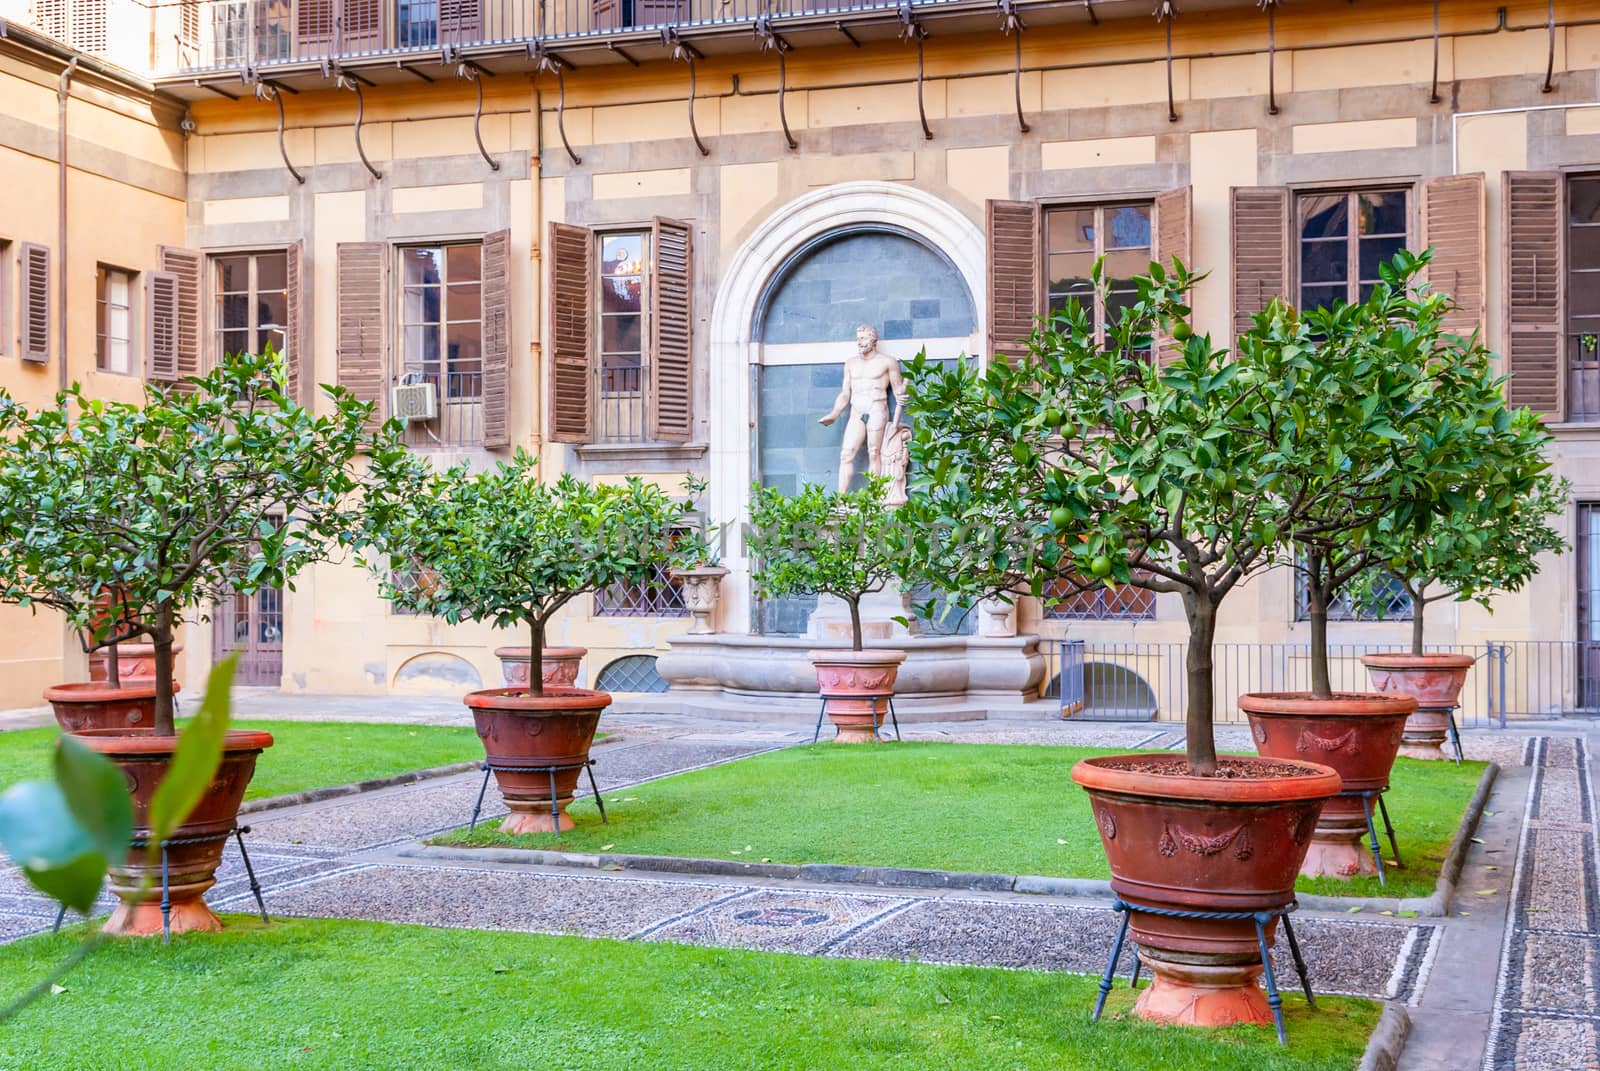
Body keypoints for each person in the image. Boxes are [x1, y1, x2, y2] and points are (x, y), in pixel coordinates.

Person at [818, 324, 908, 492]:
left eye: (863, 338)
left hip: (876, 409)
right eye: (858, 338)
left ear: (873, 340)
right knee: (846, 454)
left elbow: (897, 389)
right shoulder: (851, 363)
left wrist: (901, 394)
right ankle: (840, 500)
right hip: (856, 412)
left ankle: (874, 498)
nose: (859, 342)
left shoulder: (887, 362)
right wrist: (835, 413)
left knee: (874, 452)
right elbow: (845, 393)